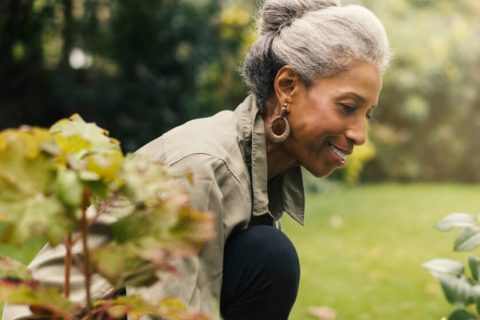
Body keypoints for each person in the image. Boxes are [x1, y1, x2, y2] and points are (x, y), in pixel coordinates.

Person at [2, 0, 390, 319]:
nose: (359, 134)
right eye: (348, 107)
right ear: (287, 87)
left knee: (265, 257)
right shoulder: (204, 166)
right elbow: (164, 313)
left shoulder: (262, 165)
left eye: (366, 114)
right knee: (269, 257)